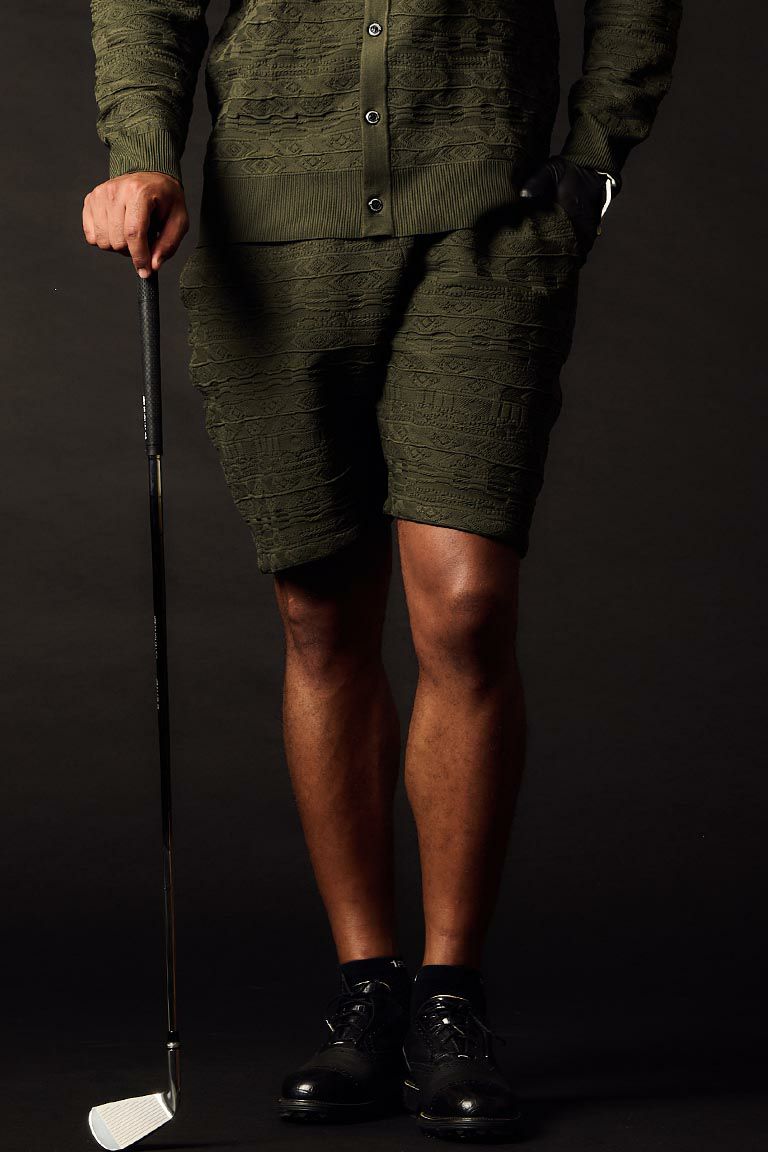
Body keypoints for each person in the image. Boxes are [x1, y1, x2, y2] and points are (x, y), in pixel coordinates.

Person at [84, 0, 683, 1140]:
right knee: (321, 617)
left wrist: (597, 155)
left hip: (487, 235)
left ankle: (451, 996)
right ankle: (368, 988)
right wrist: (142, 152)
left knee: (465, 609)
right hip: (273, 248)